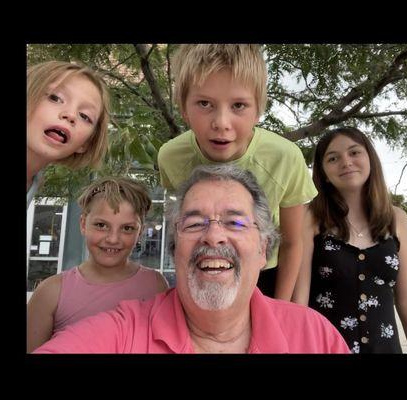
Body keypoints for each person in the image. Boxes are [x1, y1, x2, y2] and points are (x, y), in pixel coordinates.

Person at [34, 164, 350, 353]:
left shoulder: (315, 336)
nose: (213, 236)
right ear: (175, 248)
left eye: (235, 222)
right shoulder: (122, 331)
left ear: (263, 248)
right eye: (195, 223)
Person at [157, 44, 316, 302]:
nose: (221, 122)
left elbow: (292, 242)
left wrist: (280, 306)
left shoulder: (286, 157)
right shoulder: (170, 158)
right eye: (204, 103)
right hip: (202, 269)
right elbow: (182, 227)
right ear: (184, 108)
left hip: (265, 276)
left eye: (239, 105)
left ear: (258, 110)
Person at [292, 127, 407, 353]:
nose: (346, 162)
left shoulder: (396, 218)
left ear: (370, 159)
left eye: (354, 153)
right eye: (333, 158)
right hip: (325, 348)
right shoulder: (310, 218)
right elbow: (300, 299)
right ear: (323, 172)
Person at [27, 176, 169, 353]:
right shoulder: (51, 292)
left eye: (127, 228)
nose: (112, 239)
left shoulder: (155, 285)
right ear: (83, 224)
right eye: (101, 225)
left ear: (139, 232)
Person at [27, 60, 111, 208]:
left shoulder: (33, 181)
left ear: (86, 143)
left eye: (85, 116)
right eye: (55, 98)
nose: (71, 115)